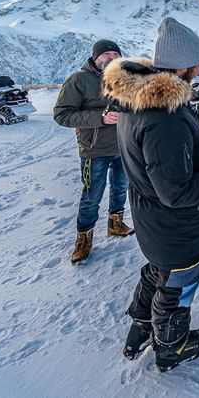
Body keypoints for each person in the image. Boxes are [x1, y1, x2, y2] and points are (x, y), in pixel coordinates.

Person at [102, 17, 199, 372]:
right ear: (182, 66)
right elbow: (177, 190)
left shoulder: (144, 99)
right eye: (197, 64)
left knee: (158, 271)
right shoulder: (163, 119)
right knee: (177, 285)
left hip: (153, 221)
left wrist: (197, 118)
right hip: (177, 227)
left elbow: (160, 151)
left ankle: (140, 328)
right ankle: (171, 347)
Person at [54, 39, 133, 264]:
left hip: (123, 147)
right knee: (91, 197)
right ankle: (84, 240)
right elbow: (62, 115)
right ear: (95, 57)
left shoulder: (125, 80)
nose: (111, 57)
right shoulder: (79, 80)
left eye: (115, 53)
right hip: (94, 151)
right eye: (105, 54)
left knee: (120, 189)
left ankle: (115, 225)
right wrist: (101, 118)